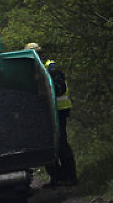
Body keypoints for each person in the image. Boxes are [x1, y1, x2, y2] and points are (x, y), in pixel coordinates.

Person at [26, 43, 78, 187]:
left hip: (59, 111)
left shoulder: (51, 68)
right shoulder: (35, 71)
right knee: (47, 145)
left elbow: (59, 88)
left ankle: (70, 177)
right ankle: (57, 178)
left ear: (40, 54)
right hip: (45, 113)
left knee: (61, 144)